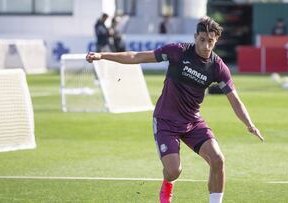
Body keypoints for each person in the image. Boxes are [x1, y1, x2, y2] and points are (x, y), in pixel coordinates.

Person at [86, 16, 264, 203]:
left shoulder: (218, 67)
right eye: (202, 39)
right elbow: (137, 56)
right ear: (195, 36)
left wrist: (249, 124)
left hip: (192, 122)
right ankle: (168, 183)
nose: (205, 45)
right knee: (173, 172)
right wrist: (102, 56)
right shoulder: (177, 52)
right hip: (166, 120)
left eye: (210, 41)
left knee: (218, 159)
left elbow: (235, 100)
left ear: (216, 40)